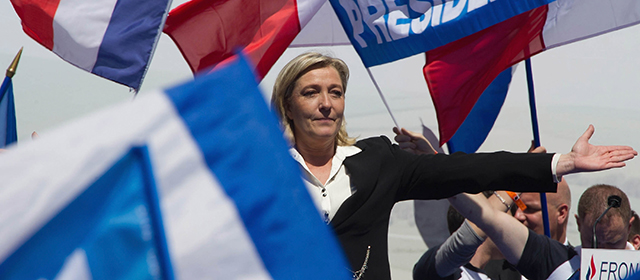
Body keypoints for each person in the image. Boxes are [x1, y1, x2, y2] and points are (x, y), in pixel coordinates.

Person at [270, 52, 637, 280]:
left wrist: (561, 162)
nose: (326, 103)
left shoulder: (377, 161)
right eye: (311, 92)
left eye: (335, 92)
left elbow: (471, 170)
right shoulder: (266, 177)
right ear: (287, 105)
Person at [447, 184, 636, 280]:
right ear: (578, 224)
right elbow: (490, 218)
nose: (601, 252)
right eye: (593, 242)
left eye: (612, 243)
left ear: (629, 227)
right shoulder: (558, 261)